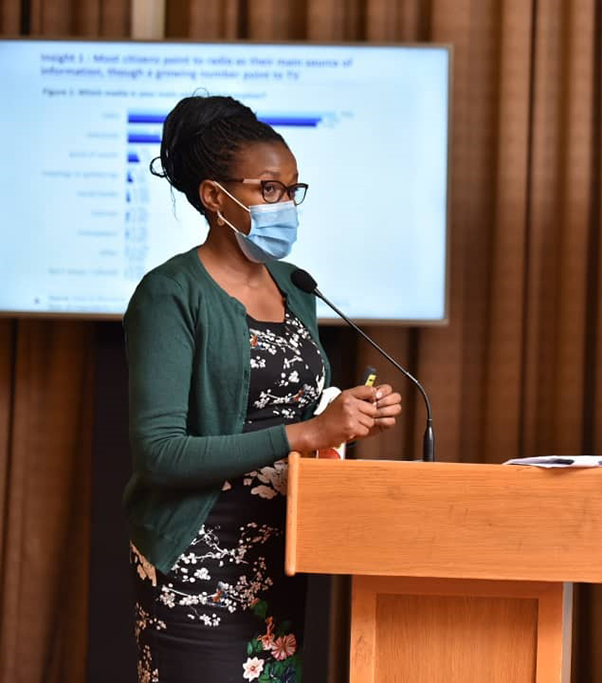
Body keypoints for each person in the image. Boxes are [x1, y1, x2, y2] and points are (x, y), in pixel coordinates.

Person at [124, 94, 402, 683]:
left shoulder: (295, 287)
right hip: (199, 558)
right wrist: (308, 432)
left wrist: (346, 411)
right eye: (269, 190)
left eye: (293, 191)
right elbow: (160, 454)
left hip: (282, 554)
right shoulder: (170, 293)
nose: (287, 206)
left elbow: (289, 405)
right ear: (215, 197)